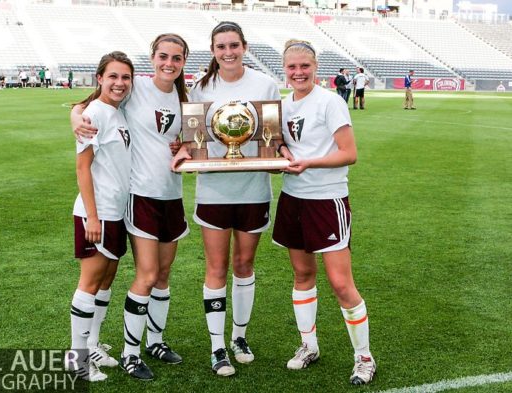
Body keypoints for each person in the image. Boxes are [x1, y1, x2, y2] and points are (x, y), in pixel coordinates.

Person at [71, 34, 191, 381]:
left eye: (177, 58)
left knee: (159, 275)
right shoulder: (134, 88)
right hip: (138, 198)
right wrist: (76, 115)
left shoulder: (186, 96)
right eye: (163, 56)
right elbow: (89, 106)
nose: (169, 63)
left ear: (183, 62)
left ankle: (152, 342)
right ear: (153, 58)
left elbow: (192, 137)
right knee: (145, 275)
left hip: (168, 195)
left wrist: (185, 148)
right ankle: (125, 354)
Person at [171, 21, 281, 377]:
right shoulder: (201, 87)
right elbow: (193, 138)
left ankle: (239, 337)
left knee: (244, 265)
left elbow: (271, 136)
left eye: (234, 45)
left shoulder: (264, 83)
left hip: (253, 188)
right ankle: (217, 346)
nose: (228, 52)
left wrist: (279, 155)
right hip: (214, 189)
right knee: (216, 267)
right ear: (213, 50)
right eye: (221, 47)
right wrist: (184, 151)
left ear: (244, 46)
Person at [273, 39, 376, 386]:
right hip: (293, 198)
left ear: (315, 67)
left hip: (326, 200)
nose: (298, 72)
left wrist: (308, 162)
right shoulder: (282, 106)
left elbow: (349, 153)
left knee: (340, 283)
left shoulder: (330, 102)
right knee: (302, 275)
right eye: (292, 67)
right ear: (284, 70)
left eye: (305, 66)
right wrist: (283, 152)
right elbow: (281, 146)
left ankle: (364, 357)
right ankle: (308, 345)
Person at [68, 51, 133, 382]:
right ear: (100, 79)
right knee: (90, 283)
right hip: (97, 213)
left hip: (115, 212)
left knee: (106, 280)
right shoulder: (96, 112)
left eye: (125, 77)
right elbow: (83, 167)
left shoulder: (115, 112)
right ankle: (76, 360)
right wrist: (92, 217)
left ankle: (92, 344)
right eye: (113, 76)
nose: (120, 83)